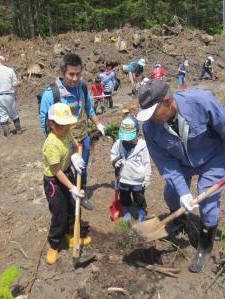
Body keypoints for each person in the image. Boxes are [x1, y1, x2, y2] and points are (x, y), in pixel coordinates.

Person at [136, 80, 225, 273]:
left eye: (153, 113)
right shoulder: (150, 128)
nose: (151, 119)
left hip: (212, 158)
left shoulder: (201, 102)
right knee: (172, 195)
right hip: (180, 162)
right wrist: (183, 192)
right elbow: (165, 162)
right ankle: (183, 220)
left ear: (167, 102)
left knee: (209, 201)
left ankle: (205, 247)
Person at [39, 53, 105, 209]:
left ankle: (81, 195)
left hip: (83, 138)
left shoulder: (82, 86)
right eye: (71, 74)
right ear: (62, 73)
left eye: (78, 74)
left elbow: (88, 108)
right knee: (65, 171)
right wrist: (65, 148)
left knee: (82, 169)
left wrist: (98, 124)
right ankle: (68, 198)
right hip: (64, 143)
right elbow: (45, 123)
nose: (75, 78)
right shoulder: (51, 94)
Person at [43, 103, 92, 265]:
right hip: (54, 181)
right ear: (52, 124)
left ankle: (73, 236)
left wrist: (74, 157)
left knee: (72, 207)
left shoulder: (67, 132)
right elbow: (56, 171)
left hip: (68, 173)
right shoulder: (51, 144)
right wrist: (71, 187)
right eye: (63, 125)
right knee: (59, 214)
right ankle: (54, 245)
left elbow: (72, 146)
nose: (67, 128)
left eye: (68, 124)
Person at [110, 116, 152, 223]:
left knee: (139, 199)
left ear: (137, 132)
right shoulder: (119, 143)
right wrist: (115, 161)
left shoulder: (142, 146)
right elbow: (113, 154)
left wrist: (147, 177)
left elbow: (147, 162)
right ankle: (127, 216)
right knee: (125, 199)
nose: (127, 140)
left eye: (130, 137)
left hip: (138, 180)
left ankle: (141, 217)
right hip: (124, 179)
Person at [0, 55, 21, 136]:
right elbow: (15, 83)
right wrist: (16, 94)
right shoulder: (10, 70)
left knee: (3, 115)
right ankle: (19, 130)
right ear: (4, 61)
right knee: (14, 113)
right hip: (10, 95)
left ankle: (7, 133)